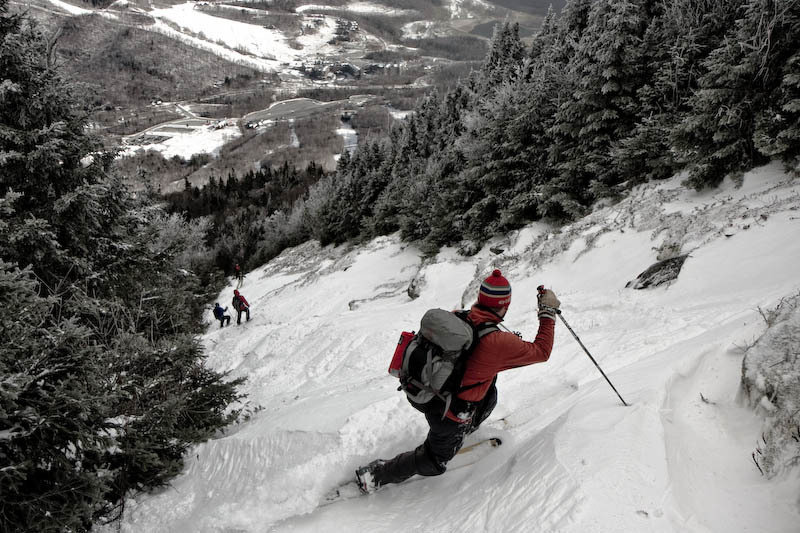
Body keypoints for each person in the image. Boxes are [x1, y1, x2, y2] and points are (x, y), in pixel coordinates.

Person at [356, 269, 560, 493]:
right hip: (449, 413)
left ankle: (463, 430)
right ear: (505, 305)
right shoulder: (499, 342)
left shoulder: (458, 317)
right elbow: (542, 351)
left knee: (489, 389)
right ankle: (375, 474)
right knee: (434, 462)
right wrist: (547, 312)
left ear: (481, 298)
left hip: (430, 391)